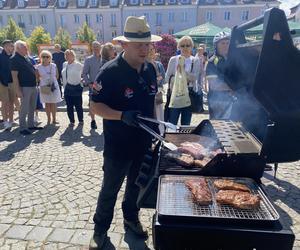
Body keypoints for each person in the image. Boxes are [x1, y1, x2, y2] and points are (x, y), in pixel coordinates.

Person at [89, 16, 161, 249]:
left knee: (136, 187)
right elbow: (95, 106)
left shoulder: (150, 69)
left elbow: (153, 103)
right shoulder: (109, 72)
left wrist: (157, 129)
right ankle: (100, 230)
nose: (144, 49)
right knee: (110, 189)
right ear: (124, 45)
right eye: (138, 44)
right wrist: (121, 115)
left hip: (143, 143)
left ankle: (131, 219)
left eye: (147, 44)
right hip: (118, 145)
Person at [165, 36, 200, 125]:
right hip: (174, 94)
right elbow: (167, 77)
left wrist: (183, 72)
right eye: (182, 45)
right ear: (179, 47)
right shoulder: (173, 60)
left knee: (186, 124)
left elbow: (195, 78)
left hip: (188, 95)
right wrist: (178, 75)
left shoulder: (195, 60)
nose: (185, 48)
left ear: (191, 47)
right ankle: (171, 139)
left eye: (187, 45)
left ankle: (184, 139)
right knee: (172, 123)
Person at [10, 40, 43, 135]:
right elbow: (14, 76)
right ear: (19, 48)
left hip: (33, 86)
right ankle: (23, 128)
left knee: (32, 107)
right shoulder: (14, 59)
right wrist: (18, 90)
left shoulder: (25, 58)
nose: (27, 48)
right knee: (24, 108)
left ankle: (31, 125)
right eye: (25, 47)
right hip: (24, 87)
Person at [206, 31, 233, 119]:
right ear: (216, 45)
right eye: (222, 43)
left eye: (227, 43)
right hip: (217, 102)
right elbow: (214, 85)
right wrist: (234, 89)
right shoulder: (212, 61)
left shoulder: (231, 60)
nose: (226, 45)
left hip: (231, 100)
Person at [36, 50, 62, 125]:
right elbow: (37, 78)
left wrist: (51, 82)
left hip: (53, 86)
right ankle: (48, 119)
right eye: (43, 56)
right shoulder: (38, 67)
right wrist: (45, 81)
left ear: (50, 57)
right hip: (44, 86)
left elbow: (57, 76)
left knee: (53, 103)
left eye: (47, 56)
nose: (45, 58)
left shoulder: (53, 65)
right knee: (47, 104)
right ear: (41, 57)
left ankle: (54, 119)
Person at [82, 41, 102, 129]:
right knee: (92, 104)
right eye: (94, 47)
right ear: (92, 48)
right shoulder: (88, 59)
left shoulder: (104, 59)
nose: (96, 48)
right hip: (93, 86)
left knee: (106, 104)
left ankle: (106, 121)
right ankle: (93, 121)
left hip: (105, 86)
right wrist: (89, 83)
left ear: (100, 47)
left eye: (97, 46)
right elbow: (84, 73)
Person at [61, 49, 84, 127]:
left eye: (69, 54)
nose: (67, 56)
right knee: (69, 107)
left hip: (76, 88)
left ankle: (81, 120)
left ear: (73, 56)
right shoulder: (64, 64)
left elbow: (84, 74)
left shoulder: (78, 65)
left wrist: (82, 80)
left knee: (78, 106)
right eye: (66, 54)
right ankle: (72, 121)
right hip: (67, 89)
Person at [146, 43, 165, 134]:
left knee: (159, 115)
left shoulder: (158, 65)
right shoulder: (143, 65)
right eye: (149, 50)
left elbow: (162, 80)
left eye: (152, 49)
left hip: (158, 95)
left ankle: (160, 133)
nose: (150, 52)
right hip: (148, 96)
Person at [0, 40, 15, 131]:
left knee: (11, 102)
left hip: (12, 82)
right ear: (5, 47)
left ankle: (11, 120)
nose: (12, 47)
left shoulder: (13, 57)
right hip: (2, 83)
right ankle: (5, 122)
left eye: (12, 46)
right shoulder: (0, 57)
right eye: (10, 46)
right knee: (5, 103)